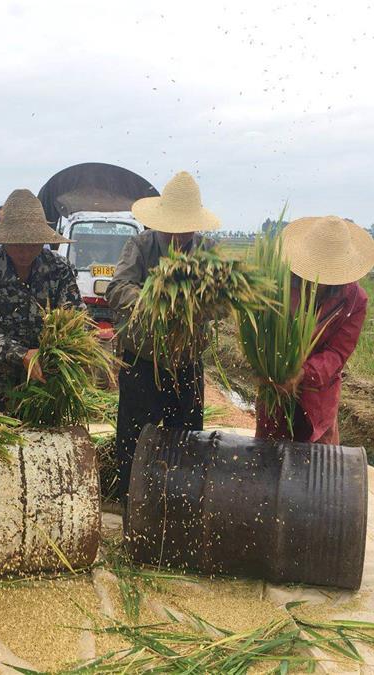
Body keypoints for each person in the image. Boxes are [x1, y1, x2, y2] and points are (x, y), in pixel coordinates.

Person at [106, 171, 220, 504]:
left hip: (185, 362)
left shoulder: (207, 252)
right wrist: (154, 301)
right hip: (141, 359)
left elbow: (220, 305)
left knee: (186, 434)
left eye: (186, 226)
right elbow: (116, 289)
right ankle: (134, 504)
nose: (179, 234)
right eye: (173, 226)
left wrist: (198, 302)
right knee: (135, 436)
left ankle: (180, 504)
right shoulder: (141, 245)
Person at [254, 216, 374, 443]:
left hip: (318, 397)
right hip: (275, 391)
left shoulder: (354, 299)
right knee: (269, 460)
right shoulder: (278, 285)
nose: (319, 280)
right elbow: (260, 328)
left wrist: (303, 373)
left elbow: (338, 353)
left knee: (319, 466)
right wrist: (266, 365)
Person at [0, 189, 83, 411]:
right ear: (5, 240)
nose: (25, 251)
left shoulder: (58, 268)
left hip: (46, 380)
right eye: (17, 243)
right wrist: (23, 355)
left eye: (32, 243)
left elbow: (74, 314)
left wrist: (66, 347)